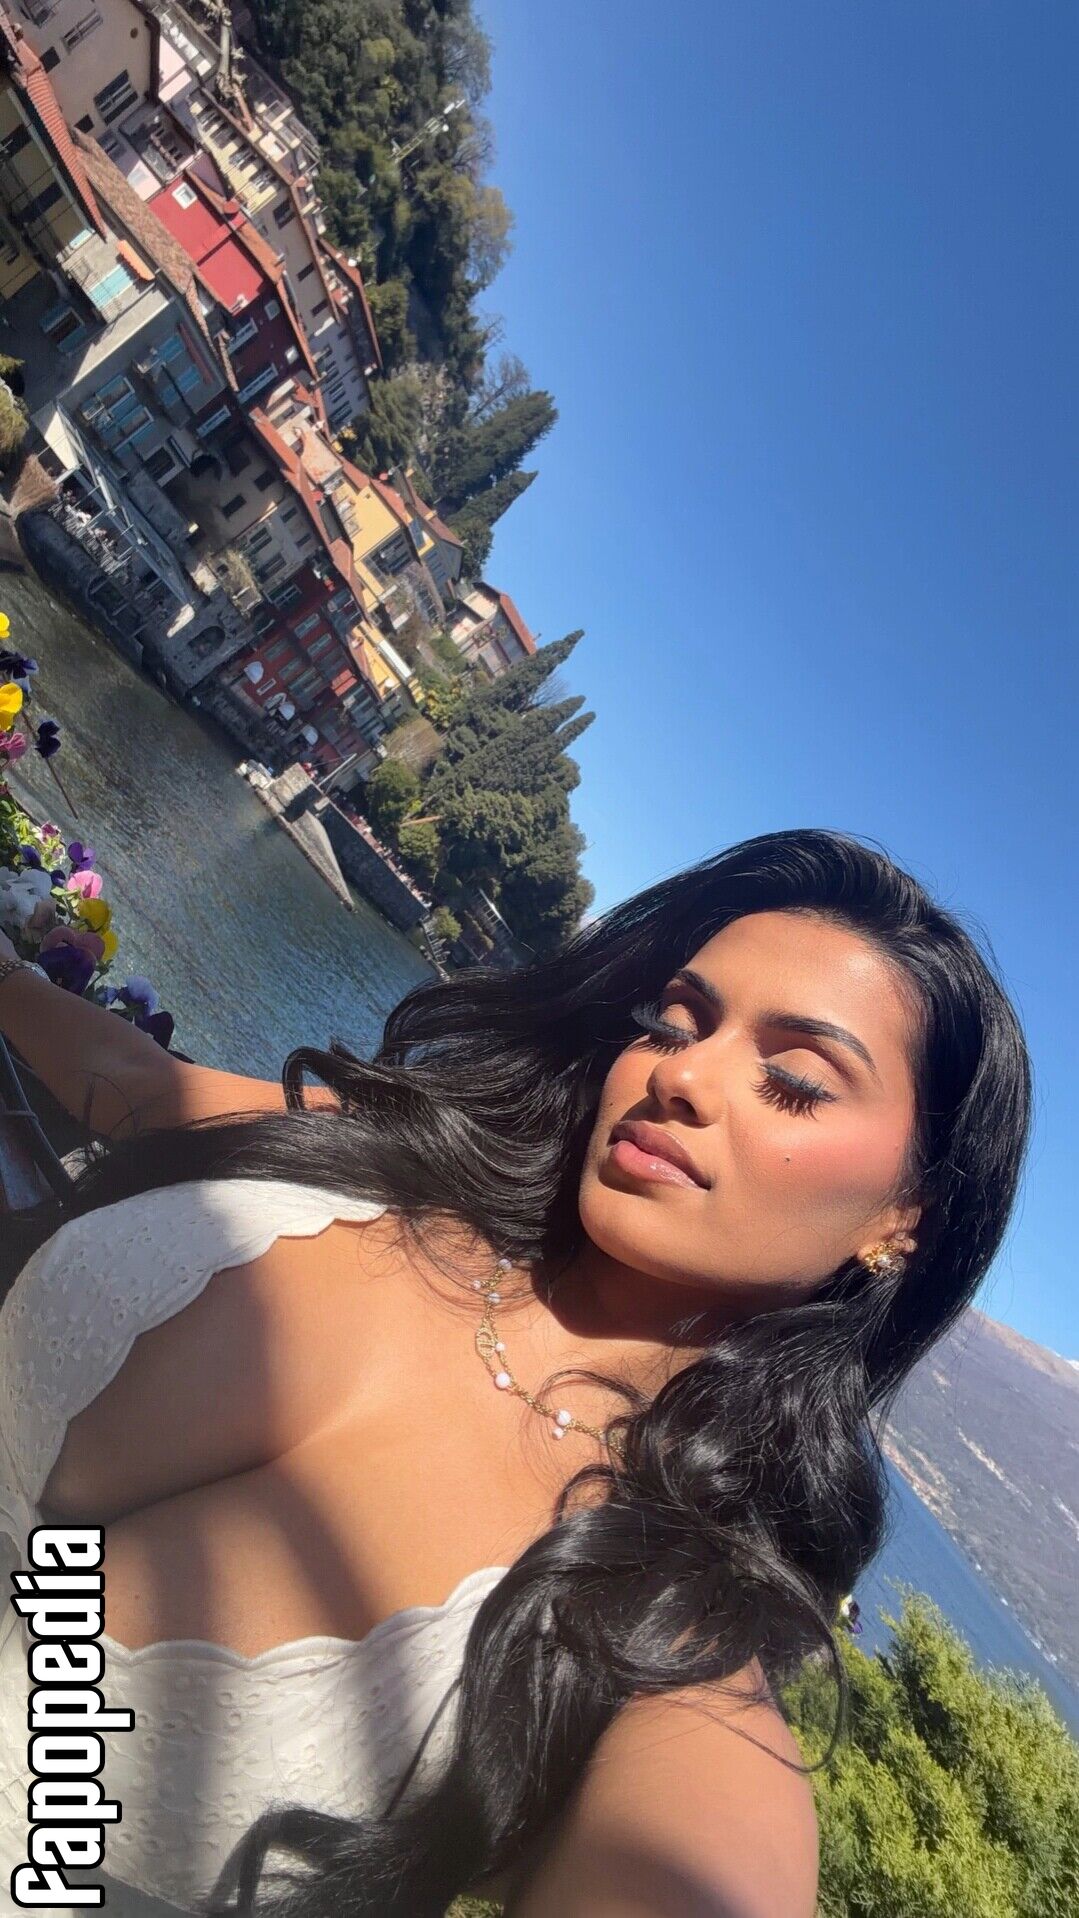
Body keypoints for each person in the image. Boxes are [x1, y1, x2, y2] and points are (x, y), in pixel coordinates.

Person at [0, 829, 1031, 1918]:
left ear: (900, 1220)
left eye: (793, 1080)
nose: (679, 1073)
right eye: (673, 1021)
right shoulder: (401, 1160)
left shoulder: (661, 1648)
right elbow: (139, 1084)